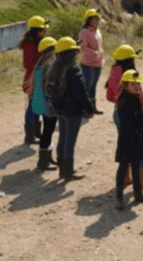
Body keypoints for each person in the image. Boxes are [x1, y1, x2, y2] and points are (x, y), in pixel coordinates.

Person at [106, 44, 143, 190]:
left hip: (119, 113)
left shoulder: (115, 71)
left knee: (125, 145)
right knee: (138, 147)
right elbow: (140, 97)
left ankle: (127, 177)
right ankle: (142, 180)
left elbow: (110, 95)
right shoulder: (130, 74)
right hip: (132, 113)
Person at [47, 37, 95, 181]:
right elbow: (82, 93)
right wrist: (90, 109)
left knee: (62, 138)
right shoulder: (73, 69)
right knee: (70, 141)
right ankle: (69, 171)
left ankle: (62, 170)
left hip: (60, 110)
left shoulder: (54, 67)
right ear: (72, 53)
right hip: (73, 111)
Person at [114, 70, 143, 210]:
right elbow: (126, 123)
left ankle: (139, 195)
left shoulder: (135, 97)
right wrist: (135, 134)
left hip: (137, 139)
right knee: (123, 167)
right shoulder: (124, 100)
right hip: (127, 140)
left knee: (136, 167)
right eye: (133, 83)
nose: (136, 86)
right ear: (125, 85)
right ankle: (119, 198)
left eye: (138, 83)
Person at [19, 15, 48, 145]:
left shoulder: (38, 42)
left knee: (38, 106)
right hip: (34, 78)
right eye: (43, 30)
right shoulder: (30, 44)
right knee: (32, 107)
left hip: (40, 77)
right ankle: (30, 136)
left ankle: (36, 133)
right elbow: (28, 64)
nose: (45, 32)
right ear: (37, 30)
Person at [30, 36, 58, 171]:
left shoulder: (40, 64)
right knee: (48, 130)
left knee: (48, 130)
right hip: (49, 104)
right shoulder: (50, 65)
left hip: (40, 102)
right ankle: (43, 161)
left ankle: (48, 156)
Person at [79, 8, 104, 114]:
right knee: (87, 87)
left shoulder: (98, 31)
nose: (98, 21)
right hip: (87, 64)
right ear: (89, 20)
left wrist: (101, 53)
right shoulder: (84, 32)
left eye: (98, 19)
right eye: (95, 19)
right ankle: (85, 109)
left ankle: (92, 108)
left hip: (97, 63)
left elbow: (99, 46)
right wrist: (95, 53)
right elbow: (83, 47)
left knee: (93, 86)